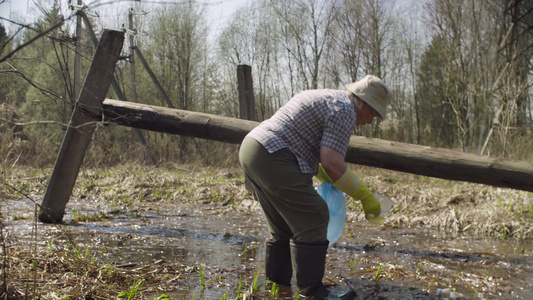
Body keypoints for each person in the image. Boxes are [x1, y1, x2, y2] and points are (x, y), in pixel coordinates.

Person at [239, 75, 392, 299]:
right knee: (315, 215)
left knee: (283, 227)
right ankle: (313, 293)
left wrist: (323, 174)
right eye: (374, 113)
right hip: (273, 155)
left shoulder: (328, 99)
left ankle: (278, 289)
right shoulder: (345, 110)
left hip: (253, 148)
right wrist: (365, 196)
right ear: (364, 103)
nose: (371, 121)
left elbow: (308, 145)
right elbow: (332, 162)